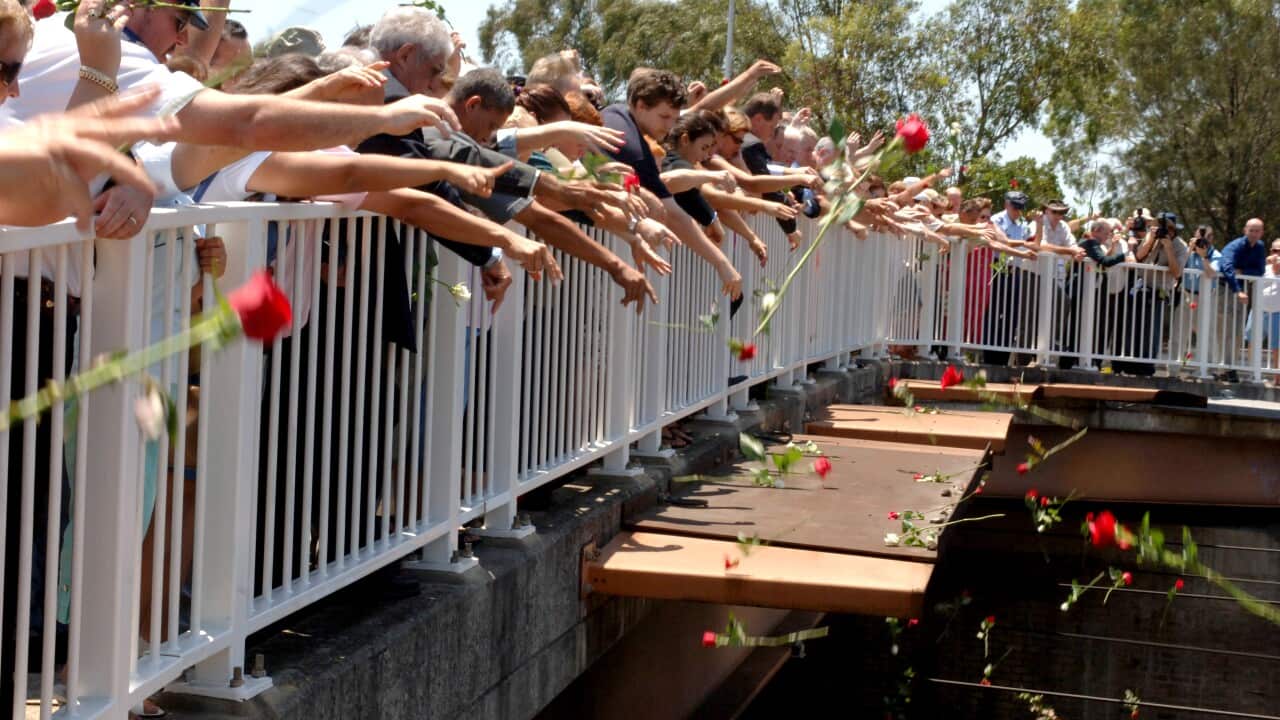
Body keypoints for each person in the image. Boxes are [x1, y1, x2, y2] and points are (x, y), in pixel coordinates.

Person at [601, 67, 742, 298]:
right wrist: (722, 263)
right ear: (640, 105)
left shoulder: (614, 111)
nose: (669, 127)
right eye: (664, 117)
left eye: (674, 119)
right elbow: (673, 214)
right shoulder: (635, 150)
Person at [983, 190, 1038, 366]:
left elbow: (1035, 243)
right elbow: (1003, 241)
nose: (1018, 211)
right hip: (997, 268)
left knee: (1011, 315)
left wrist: (1039, 224)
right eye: (1015, 207)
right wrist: (1024, 244)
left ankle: (1003, 358)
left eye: (1021, 208)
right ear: (1007, 204)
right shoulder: (997, 220)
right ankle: (989, 357)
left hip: (1015, 271)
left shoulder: (1022, 224)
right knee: (993, 313)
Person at [1217, 218, 1266, 377]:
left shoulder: (1260, 247)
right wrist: (1238, 290)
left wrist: (1242, 271)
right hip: (1225, 290)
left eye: (1257, 231)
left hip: (1241, 292)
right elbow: (1226, 267)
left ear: (1262, 232)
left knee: (1237, 333)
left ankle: (1229, 369)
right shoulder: (1235, 245)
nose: (1254, 234)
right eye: (1251, 230)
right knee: (1223, 331)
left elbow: (1260, 271)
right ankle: (1221, 368)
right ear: (1245, 230)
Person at [1171, 224, 1221, 369]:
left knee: (1207, 334)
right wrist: (1189, 249)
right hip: (1187, 295)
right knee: (1179, 332)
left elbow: (1212, 273)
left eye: (1205, 238)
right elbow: (1178, 271)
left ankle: (1205, 369)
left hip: (1206, 297)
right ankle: (1173, 368)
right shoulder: (1189, 252)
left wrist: (1204, 257)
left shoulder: (1215, 254)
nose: (1202, 241)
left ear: (1211, 238)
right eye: (1199, 237)